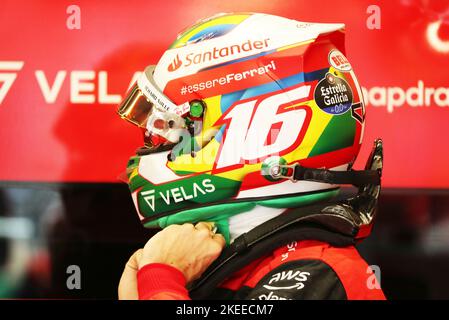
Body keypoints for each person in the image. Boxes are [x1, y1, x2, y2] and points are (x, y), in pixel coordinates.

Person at [116, 12, 385, 300]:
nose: (159, 143)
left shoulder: (320, 274)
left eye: (172, 128)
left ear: (258, 124)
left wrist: (160, 281)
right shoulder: (230, 262)